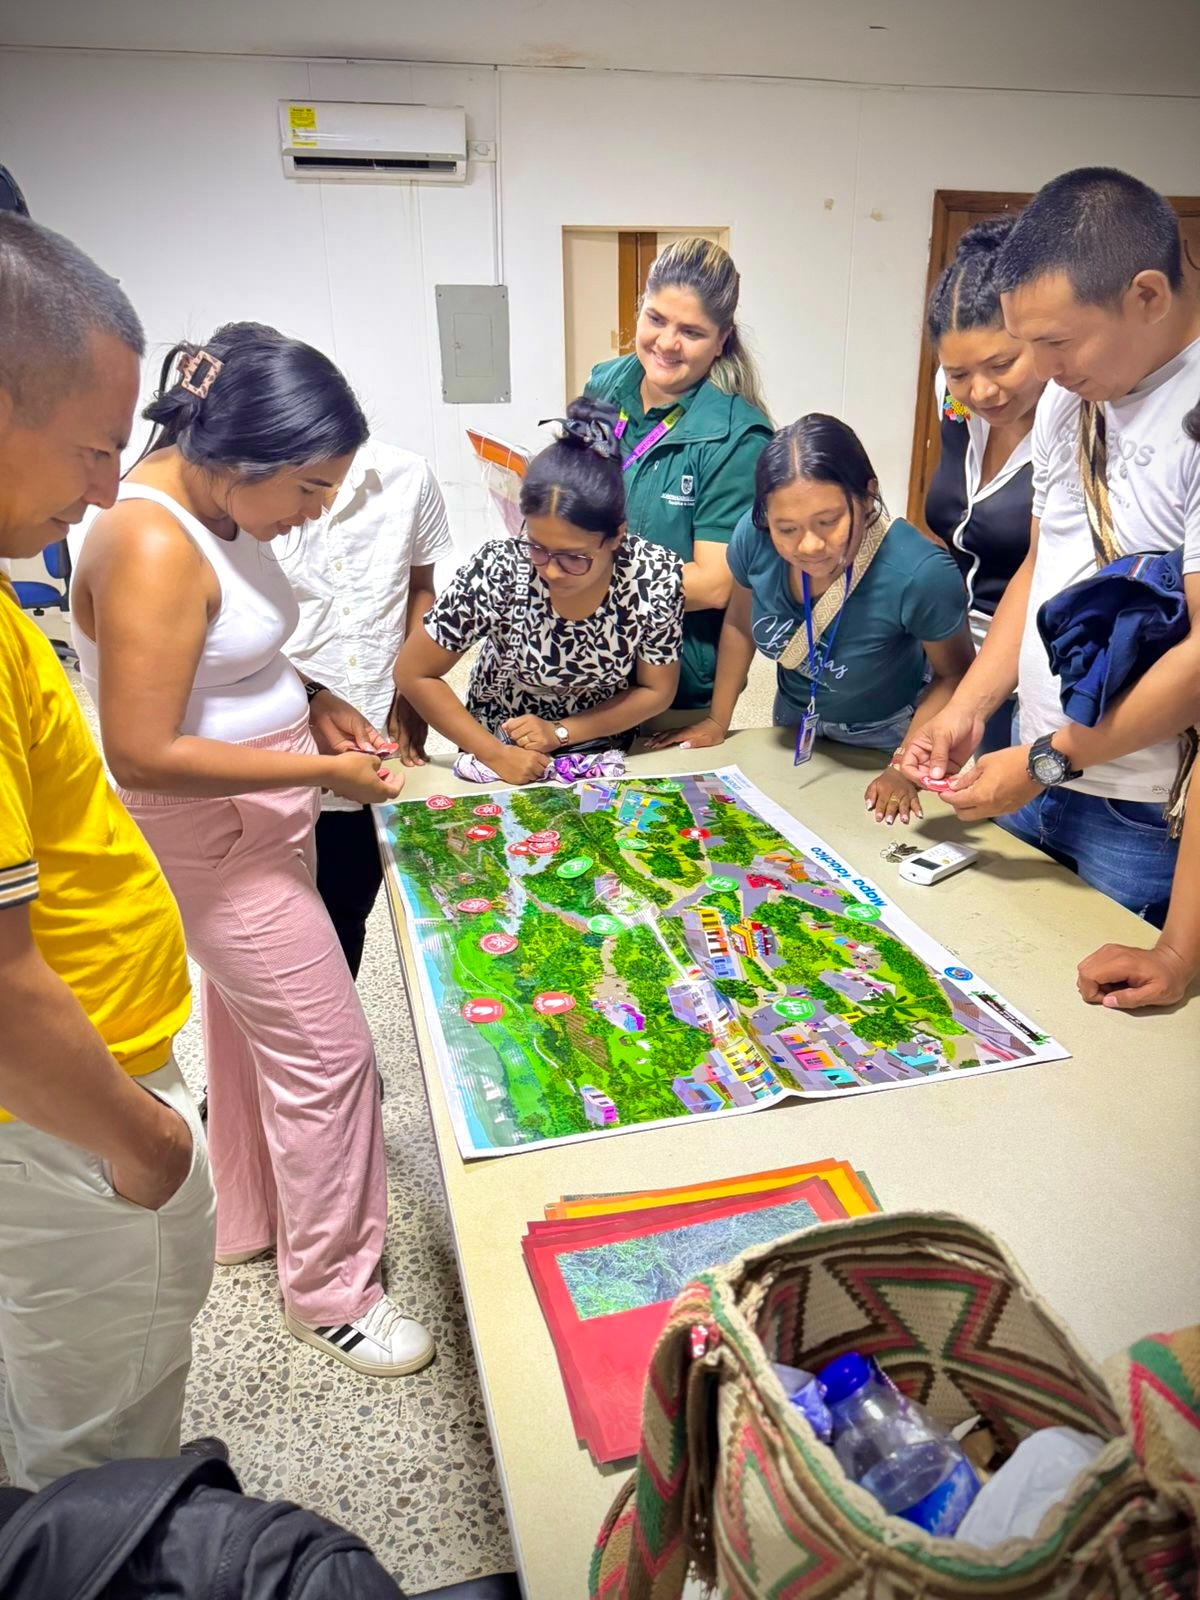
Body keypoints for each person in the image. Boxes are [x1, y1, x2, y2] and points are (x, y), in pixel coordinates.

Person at [69, 321, 434, 1378]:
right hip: (219, 840)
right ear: (243, 458)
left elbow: (230, 655)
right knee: (331, 1055)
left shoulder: (215, 506)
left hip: (258, 827)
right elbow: (141, 749)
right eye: (310, 489)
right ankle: (333, 1293)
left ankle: (249, 1218)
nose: (314, 512)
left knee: (247, 1031)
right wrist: (319, 774)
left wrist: (314, 702)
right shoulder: (149, 541)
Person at [0, 213, 215, 1489]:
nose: (100, 490)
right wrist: (147, 1144)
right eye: (91, 447)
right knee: (94, 1469)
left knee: (53, 1402)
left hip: (60, 1114)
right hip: (65, 1124)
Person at [897, 168, 1200, 927]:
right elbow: (1041, 566)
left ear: (1147, 295)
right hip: (1035, 767)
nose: (1040, 371)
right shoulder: (1074, 395)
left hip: (1137, 807)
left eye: (1055, 343)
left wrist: (1045, 762)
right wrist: (968, 709)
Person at [651, 414, 975, 824]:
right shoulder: (754, 537)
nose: (809, 546)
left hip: (887, 733)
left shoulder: (919, 572)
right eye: (786, 528)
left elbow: (954, 675)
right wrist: (718, 719)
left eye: (828, 522)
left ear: (868, 496)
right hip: (792, 719)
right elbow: (739, 623)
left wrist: (902, 767)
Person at [395, 398, 684, 785]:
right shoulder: (499, 569)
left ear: (617, 536)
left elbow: (656, 690)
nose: (551, 570)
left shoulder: (654, 578)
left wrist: (561, 732)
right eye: (537, 547)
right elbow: (413, 672)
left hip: (600, 747)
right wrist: (495, 754)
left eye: (574, 558)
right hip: (500, 747)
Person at [277, 439, 453, 977]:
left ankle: (335, 1020)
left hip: (376, 724)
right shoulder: (256, 479)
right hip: (282, 728)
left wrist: (412, 689)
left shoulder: (409, 473)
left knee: (346, 905)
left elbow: (421, 587)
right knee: (278, 917)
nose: (313, 506)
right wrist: (309, 698)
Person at [584, 238, 772, 715]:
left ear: (722, 339)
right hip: (586, 658)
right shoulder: (604, 383)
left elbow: (714, 584)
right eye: (656, 319)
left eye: (691, 332)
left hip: (673, 677)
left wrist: (587, 582)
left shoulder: (738, 437)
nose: (667, 343)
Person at [925, 218, 1045, 752]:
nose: (981, 391)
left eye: (1002, 364)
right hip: (953, 652)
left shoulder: (1076, 424)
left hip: (1022, 665)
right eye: (958, 373)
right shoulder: (954, 402)